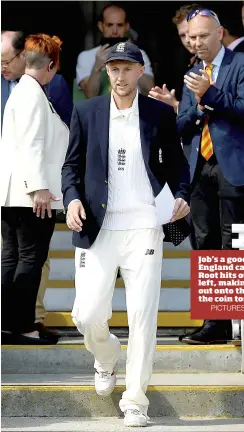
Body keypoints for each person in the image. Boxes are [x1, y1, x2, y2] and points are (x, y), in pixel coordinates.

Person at [62, 41, 190, 427]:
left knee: (143, 315)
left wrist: (181, 197)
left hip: (145, 225)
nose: (120, 76)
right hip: (98, 228)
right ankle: (106, 356)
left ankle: (135, 401)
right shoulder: (86, 112)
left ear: (139, 71)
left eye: (127, 69)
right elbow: (70, 168)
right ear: (106, 72)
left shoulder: (158, 114)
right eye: (113, 69)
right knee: (86, 314)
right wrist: (70, 200)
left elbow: (179, 168)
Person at [175, 9, 244, 345]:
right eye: (192, 36)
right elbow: (183, 122)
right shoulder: (192, 72)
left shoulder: (240, 64)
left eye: (203, 35)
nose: (197, 42)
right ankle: (213, 323)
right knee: (205, 243)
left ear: (220, 33)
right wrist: (197, 106)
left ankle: (238, 323)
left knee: (235, 243)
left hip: (234, 166)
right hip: (200, 167)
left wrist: (211, 94)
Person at [1, 30, 73, 341]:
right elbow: (32, 144)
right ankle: (22, 325)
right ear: (52, 64)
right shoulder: (31, 93)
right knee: (29, 257)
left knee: (13, 256)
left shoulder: (23, 90)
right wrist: (39, 187)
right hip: (30, 194)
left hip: (14, 192)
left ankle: (10, 323)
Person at [76, 2, 154, 98]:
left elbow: (150, 91)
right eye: (109, 25)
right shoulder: (86, 56)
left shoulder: (139, 54)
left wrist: (132, 60)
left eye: (120, 25)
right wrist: (97, 67)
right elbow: (90, 95)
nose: (114, 31)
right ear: (101, 26)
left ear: (127, 27)